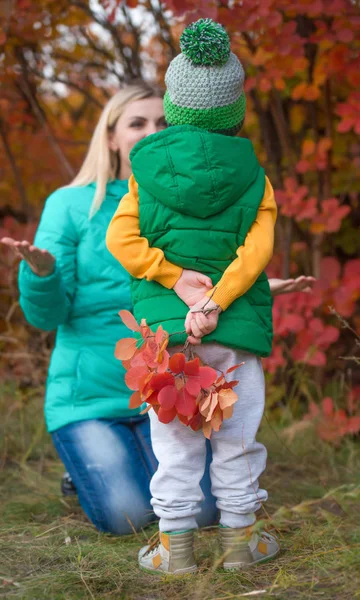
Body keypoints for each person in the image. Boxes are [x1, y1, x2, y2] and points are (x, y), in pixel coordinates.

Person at [1, 80, 315, 538]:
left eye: (161, 122)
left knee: (205, 513)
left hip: (174, 386)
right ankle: (87, 466)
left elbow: (205, 278)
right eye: (136, 122)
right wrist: (42, 273)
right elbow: (45, 317)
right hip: (92, 399)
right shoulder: (69, 205)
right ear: (111, 135)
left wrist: (260, 288)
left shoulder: (193, 195)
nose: (151, 131)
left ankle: (131, 466)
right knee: (124, 515)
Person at [106, 18, 292, 573]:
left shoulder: (145, 168)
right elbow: (257, 253)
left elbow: (122, 238)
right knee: (236, 437)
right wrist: (215, 301)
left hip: (165, 339)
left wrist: (171, 277)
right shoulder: (255, 175)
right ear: (233, 112)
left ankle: (174, 548)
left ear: (175, 104)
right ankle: (241, 543)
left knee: (175, 442)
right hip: (233, 330)